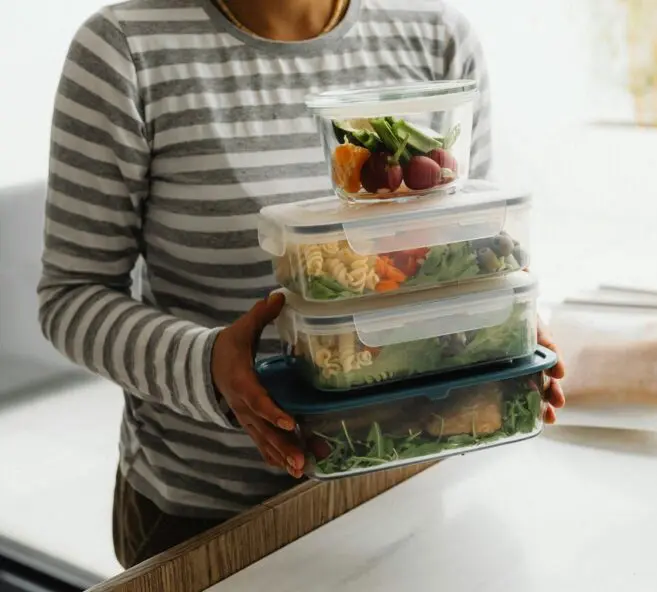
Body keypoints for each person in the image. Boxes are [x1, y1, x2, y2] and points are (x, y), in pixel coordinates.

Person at [38, 0, 566, 568]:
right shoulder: (125, 48)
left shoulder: (436, 36)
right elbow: (71, 295)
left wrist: (497, 325)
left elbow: (471, 247)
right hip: (211, 514)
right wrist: (210, 365)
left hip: (404, 483)